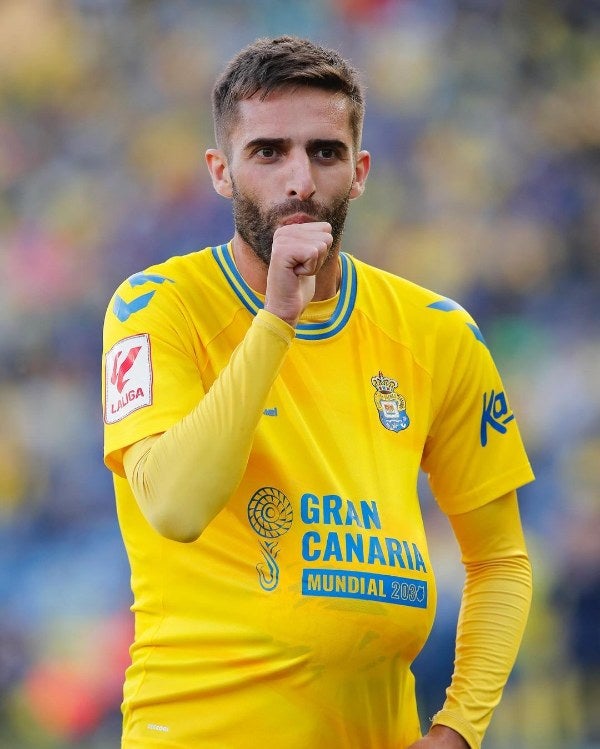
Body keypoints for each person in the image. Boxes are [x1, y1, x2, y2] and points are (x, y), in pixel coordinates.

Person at [102, 35, 534, 749]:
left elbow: (499, 560)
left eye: (325, 152)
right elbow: (174, 507)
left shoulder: (436, 331)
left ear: (360, 171)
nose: (299, 179)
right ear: (221, 171)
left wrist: (459, 728)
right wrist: (277, 319)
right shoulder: (157, 305)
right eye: (268, 152)